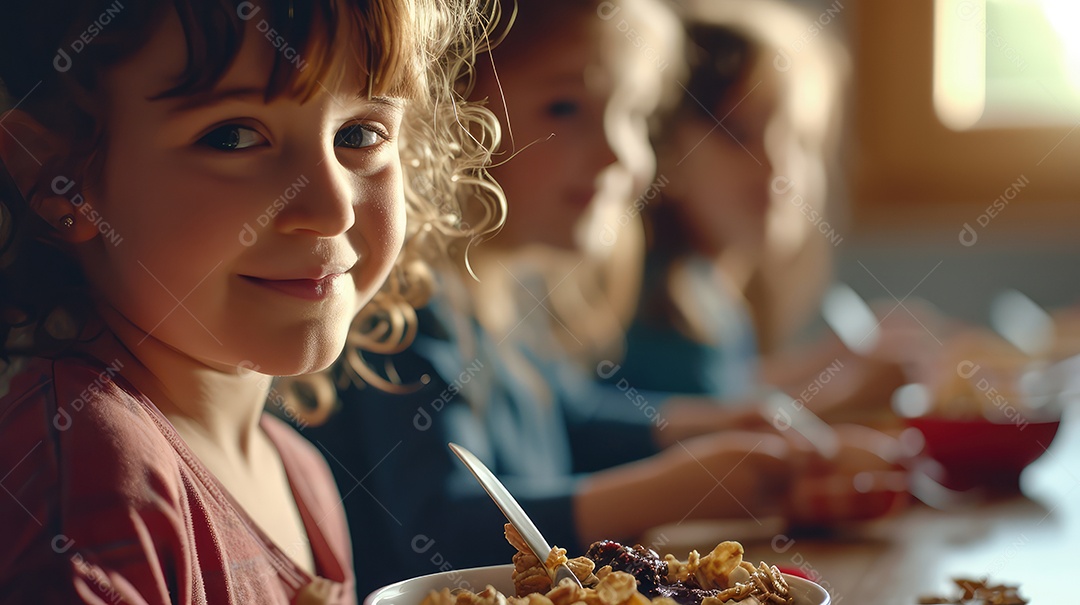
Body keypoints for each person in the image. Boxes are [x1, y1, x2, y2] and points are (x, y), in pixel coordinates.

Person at [308, 0, 906, 599]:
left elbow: (570, 417)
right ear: (445, 114)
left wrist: (702, 427)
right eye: (566, 107)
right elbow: (440, 525)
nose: (622, 153)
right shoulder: (406, 310)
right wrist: (679, 485)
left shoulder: (507, 290)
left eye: (635, 115)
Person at [0, 0, 502, 602]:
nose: (330, 209)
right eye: (233, 137)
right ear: (59, 176)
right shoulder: (91, 474)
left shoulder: (299, 472)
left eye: (359, 134)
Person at [616, 0, 907, 422]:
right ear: (666, 150)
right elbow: (693, 437)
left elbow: (730, 388)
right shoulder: (656, 302)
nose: (775, 167)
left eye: (798, 139)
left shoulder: (710, 289)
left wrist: (830, 362)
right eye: (737, 133)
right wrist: (843, 397)